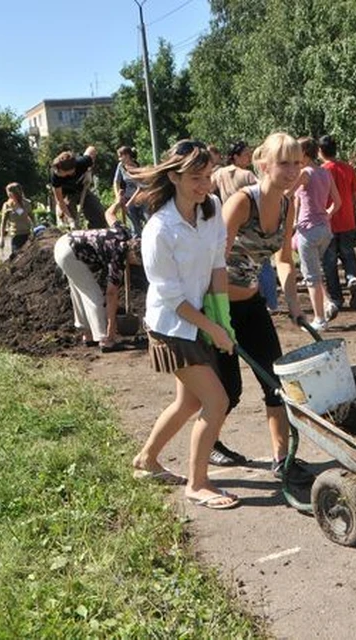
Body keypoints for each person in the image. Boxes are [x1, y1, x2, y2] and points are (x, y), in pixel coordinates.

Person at [130, 139, 240, 510]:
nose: (205, 184)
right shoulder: (159, 229)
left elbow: (217, 266)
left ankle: (146, 461)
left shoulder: (212, 211)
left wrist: (223, 319)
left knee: (189, 401)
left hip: (201, 321)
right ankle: (198, 483)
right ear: (174, 176)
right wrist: (212, 329)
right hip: (172, 327)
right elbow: (172, 297)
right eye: (196, 177)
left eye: (208, 176)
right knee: (217, 401)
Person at [211, 131, 316, 485]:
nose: (291, 170)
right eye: (284, 162)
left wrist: (295, 306)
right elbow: (213, 263)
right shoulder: (241, 202)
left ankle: (282, 459)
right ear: (263, 165)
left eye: (297, 162)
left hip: (253, 305)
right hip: (219, 307)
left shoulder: (289, 205)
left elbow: (284, 259)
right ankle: (208, 445)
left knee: (276, 383)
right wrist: (217, 318)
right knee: (227, 392)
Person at [53, 210, 139, 352]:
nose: (136, 265)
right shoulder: (118, 257)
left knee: (79, 292)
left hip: (64, 242)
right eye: (137, 262)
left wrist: (118, 202)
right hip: (70, 253)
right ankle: (105, 338)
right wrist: (112, 328)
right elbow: (111, 295)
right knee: (94, 295)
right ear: (133, 256)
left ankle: (88, 334)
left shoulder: (124, 232)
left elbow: (109, 214)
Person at [211, 141, 278, 311]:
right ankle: (271, 302)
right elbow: (264, 193)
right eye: (246, 154)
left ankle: (240, 299)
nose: (249, 157)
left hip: (229, 223)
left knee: (233, 264)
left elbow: (208, 190)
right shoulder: (247, 175)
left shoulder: (219, 173)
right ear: (235, 156)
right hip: (250, 224)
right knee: (262, 263)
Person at [293, 136, 341, 331]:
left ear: (304, 153)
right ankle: (328, 303)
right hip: (324, 230)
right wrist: (326, 217)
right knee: (313, 270)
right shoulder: (325, 173)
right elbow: (337, 202)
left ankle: (319, 319)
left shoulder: (305, 173)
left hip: (308, 230)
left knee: (311, 276)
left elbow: (287, 193)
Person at [318, 135, 356, 310]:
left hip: (327, 221)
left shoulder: (320, 171)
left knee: (329, 261)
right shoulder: (348, 169)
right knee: (348, 254)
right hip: (347, 220)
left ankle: (336, 298)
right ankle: (352, 277)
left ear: (320, 151)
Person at [50, 147, 106, 230]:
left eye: (60, 171)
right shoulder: (55, 176)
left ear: (71, 170)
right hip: (67, 196)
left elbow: (92, 149)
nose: (56, 172)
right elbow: (60, 200)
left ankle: (94, 235)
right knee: (73, 224)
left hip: (83, 190)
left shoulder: (81, 162)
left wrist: (89, 171)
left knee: (98, 213)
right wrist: (70, 220)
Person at [112, 146, 146, 237]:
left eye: (120, 156)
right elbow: (116, 182)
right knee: (135, 228)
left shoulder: (138, 167)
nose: (119, 159)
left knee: (149, 221)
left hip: (140, 199)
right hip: (127, 198)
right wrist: (117, 196)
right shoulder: (121, 166)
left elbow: (140, 188)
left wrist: (129, 203)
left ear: (127, 156)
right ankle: (136, 247)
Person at [0, 182, 35, 258]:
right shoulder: (7, 205)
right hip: (16, 236)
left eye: (8, 192)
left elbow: (30, 216)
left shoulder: (27, 203)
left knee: (28, 257)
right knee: (18, 258)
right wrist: (1, 238)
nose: (8, 195)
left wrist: (35, 228)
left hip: (27, 234)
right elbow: (3, 223)